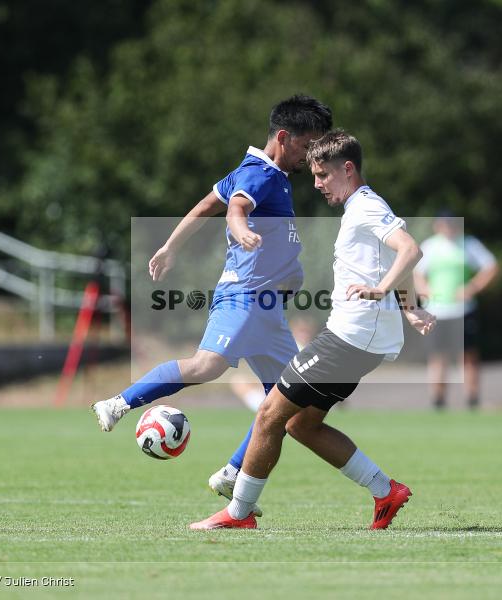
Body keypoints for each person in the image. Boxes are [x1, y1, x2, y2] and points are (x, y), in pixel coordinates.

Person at [92, 95, 333, 510]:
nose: (312, 156)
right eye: (308, 145)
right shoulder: (259, 174)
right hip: (245, 297)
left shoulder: (261, 171)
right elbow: (234, 210)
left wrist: (170, 246)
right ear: (283, 137)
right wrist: (241, 231)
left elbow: (206, 204)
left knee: (288, 405)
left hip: (268, 309)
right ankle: (117, 403)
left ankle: (233, 474)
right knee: (207, 365)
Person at [189, 130, 436, 531]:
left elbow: (410, 249)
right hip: (363, 341)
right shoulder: (363, 207)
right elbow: (395, 254)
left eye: (323, 175)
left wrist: (382, 290)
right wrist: (409, 309)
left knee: (269, 412)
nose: (317, 183)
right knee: (300, 424)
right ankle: (385, 491)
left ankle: (239, 512)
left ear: (348, 169)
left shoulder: (366, 206)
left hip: (349, 338)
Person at [414, 213, 498, 409]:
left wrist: (473, 287)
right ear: (437, 226)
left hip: (463, 311)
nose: (448, 228)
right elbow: (417, 274)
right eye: (444, 225)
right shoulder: (430, 246)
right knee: (438, 356)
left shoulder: (469, 244)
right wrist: (424, 291)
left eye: (451, 224)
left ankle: (472, 400)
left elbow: (491, 267)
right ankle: (438, 400)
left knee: (468, 356)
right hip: (436, 311)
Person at [229, 316, 317, 412]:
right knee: (239, 381)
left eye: (306, 332)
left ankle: (271, 410)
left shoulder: (310, 350)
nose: (304, 335)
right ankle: (269, 410)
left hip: (294, 392)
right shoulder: (289, 346)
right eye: (301, 331)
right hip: (281, 387)